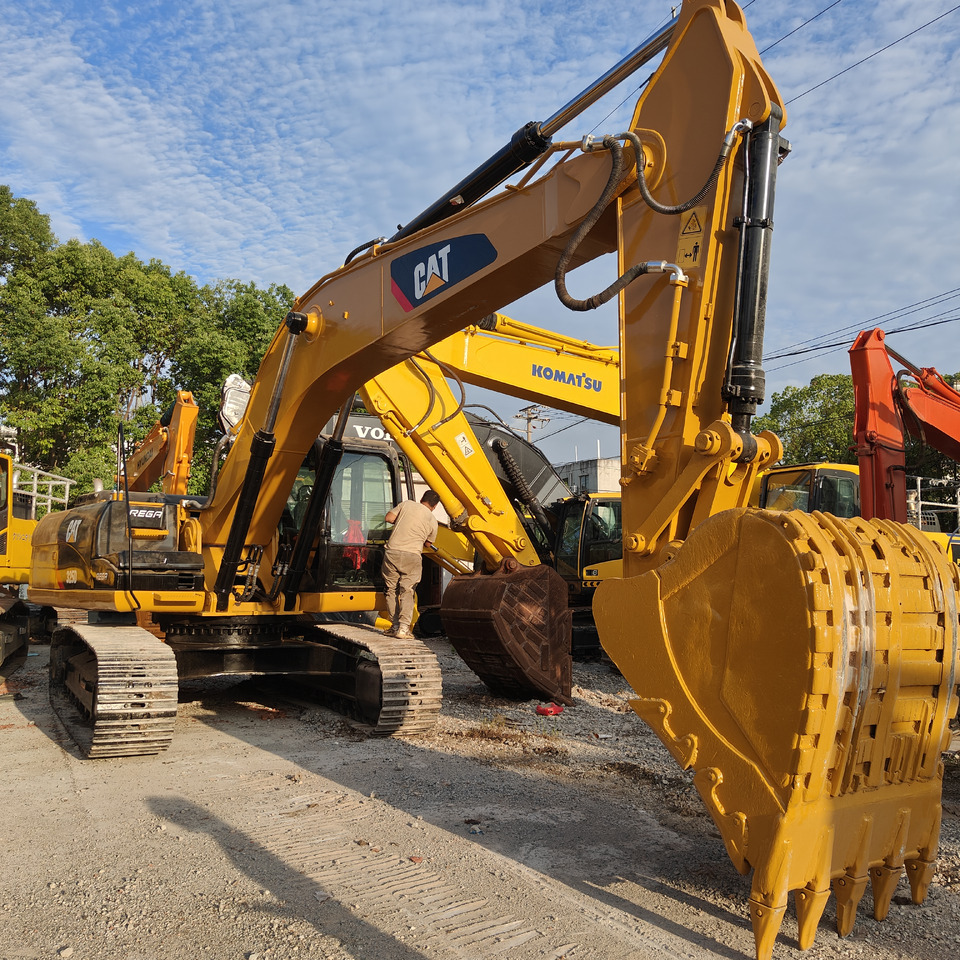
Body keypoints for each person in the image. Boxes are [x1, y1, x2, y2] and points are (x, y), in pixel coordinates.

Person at [381, 490, 440, 639]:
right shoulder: (433, 520)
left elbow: (388, 518)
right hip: (412, 556)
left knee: (391, 590)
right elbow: (427, 543)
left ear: (421, 498)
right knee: (407, 591)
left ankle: (394, 626)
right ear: (435, 506)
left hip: (392, 552)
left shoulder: (407, 504)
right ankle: (403, 629)